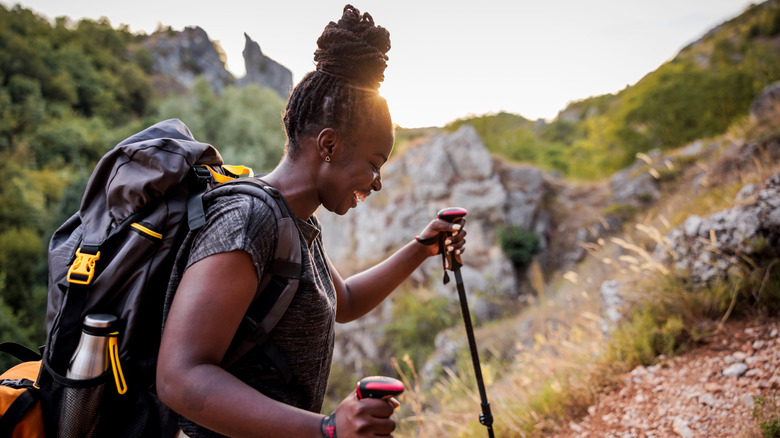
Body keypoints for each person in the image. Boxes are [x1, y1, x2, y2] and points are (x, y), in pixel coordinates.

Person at [156, 4, 467, 437]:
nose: (377, 183)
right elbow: (180, 377)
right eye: (374, 164)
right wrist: (327, 430)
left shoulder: (296, 224)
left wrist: (423, 248)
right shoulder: (249, 220)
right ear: (329, 145)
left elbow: (345, 301)